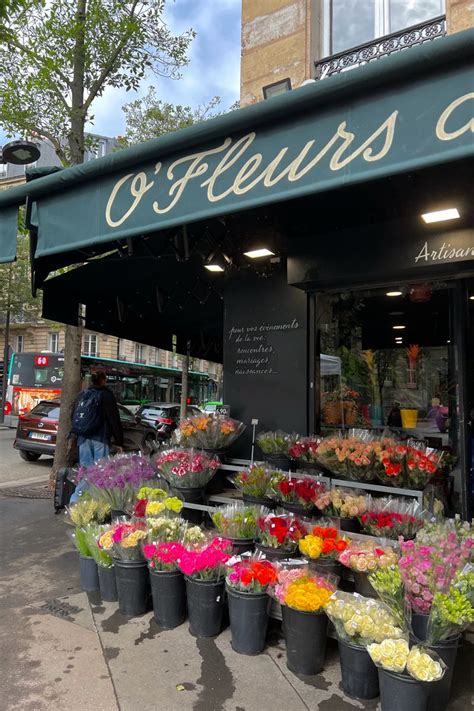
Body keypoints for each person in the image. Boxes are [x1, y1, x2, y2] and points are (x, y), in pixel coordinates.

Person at [69, 370, 124, 502]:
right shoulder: (106, 395)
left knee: (86, 472)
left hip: (83, 439)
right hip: (100, 438)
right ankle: (98, 502)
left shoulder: (82, 394)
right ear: (103, 380)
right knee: (101, 472)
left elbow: (74, 415)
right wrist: (119, 441)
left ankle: (76, 501)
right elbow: (114, 419)